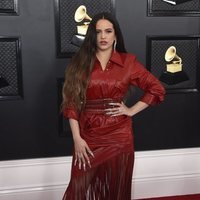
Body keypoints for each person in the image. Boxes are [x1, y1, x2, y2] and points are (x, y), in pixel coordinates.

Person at [61, 12, 165, 200]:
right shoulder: (79, 63)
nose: (103, 36)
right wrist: (77, 138)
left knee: (116, 192)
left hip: (119, 137)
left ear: (115, 35)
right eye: (98, 31)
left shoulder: (128, 63)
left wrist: (131, 110)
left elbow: (157, 89)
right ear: (92, 35)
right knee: (77, 190)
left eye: (108, 31)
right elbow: (71, 103)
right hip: (88, 136)